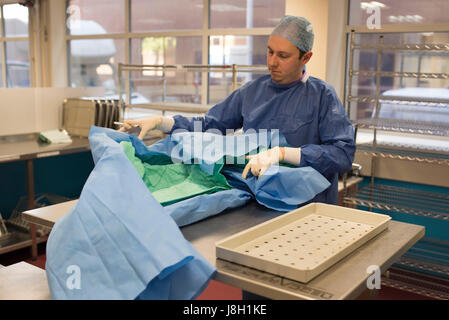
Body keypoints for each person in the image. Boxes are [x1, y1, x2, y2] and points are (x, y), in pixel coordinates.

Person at [119, 15, 355, 206]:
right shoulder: (253, 91)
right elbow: (211, 125)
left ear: (306, 57)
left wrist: (282, 154)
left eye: (283, 56)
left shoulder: (321, 96)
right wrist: (163, 122)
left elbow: (342, 155)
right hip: (257, 200)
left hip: (308, 208)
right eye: (270, 52)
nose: (272, 62)